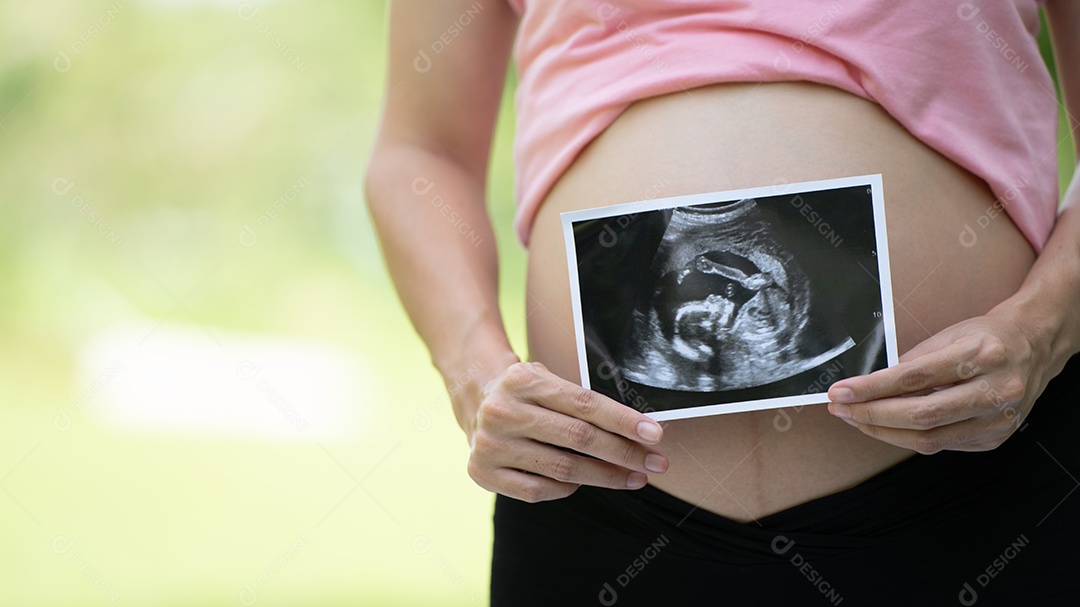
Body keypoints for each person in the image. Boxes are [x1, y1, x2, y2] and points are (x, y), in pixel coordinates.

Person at [365, 1, 1080, 604]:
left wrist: (1042, 328)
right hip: (594, 499)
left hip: (972, 479)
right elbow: (420, 155)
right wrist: (476, 374)